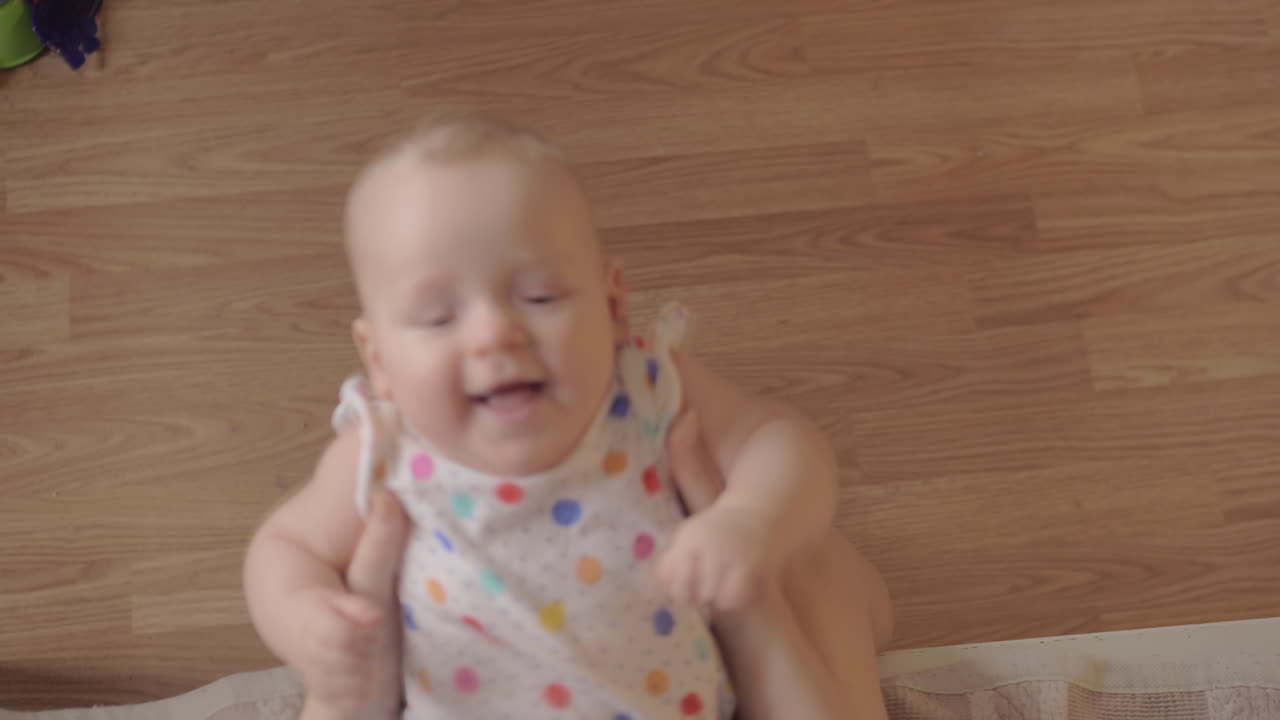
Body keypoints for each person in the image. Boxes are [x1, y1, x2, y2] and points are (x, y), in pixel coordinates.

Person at [242, 115, 893, 720]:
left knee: (828, 571)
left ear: (613, 310)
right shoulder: (384, 448)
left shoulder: (643, 389)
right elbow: (284, 548)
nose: (495, 333)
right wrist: (305, 621)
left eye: (539, 295)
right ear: (378, 359)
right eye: (440, 316)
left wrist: (751, 518)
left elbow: (780, 440)